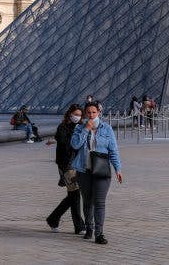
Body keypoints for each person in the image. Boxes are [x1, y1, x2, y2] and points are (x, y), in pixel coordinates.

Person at [70, 102, 122, 245]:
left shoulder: (107, 129)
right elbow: (75, 145)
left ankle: (99, 234)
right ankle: (89, 228)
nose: (91, 115)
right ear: (85, 114)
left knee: (99, 203)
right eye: (88, 113)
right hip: (84, 171)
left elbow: (113, 150)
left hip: (102, 170)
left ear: (98, 112)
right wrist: (86, 129)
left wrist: (118, 169)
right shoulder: (79, 128)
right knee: (87, 202)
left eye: (94, 112)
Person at [46, 104, 85, 235]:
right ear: (70, 114)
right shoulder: (63, 127)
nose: (77, 117)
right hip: (67, 165)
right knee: (75, 194)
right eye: (76, 114)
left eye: (80, 115)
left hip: (79, 164)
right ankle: (79, 226)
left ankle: (53, 218)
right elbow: (65, 145)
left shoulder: (81, 127)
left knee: (72, 195)